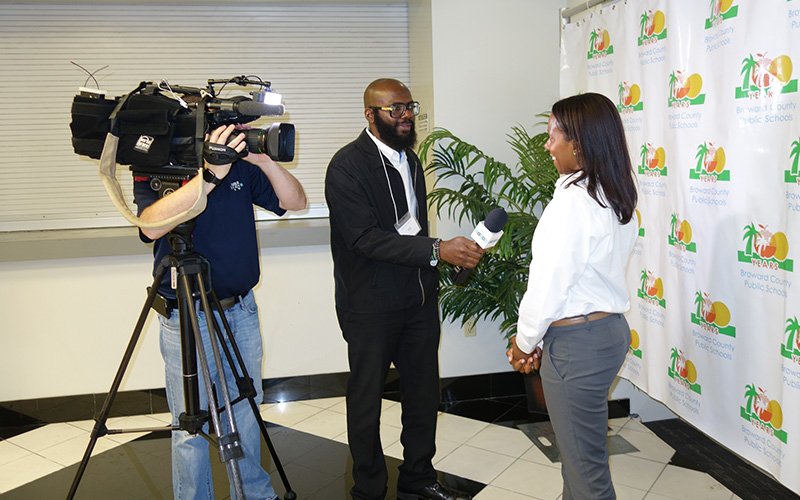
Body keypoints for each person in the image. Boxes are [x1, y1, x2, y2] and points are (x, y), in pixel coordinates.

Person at [325, 78, 482, 500]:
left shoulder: (410, 161)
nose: (406, 115)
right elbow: (365, 239)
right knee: (366, 400)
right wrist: (437, 248)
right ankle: (369, 488)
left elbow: (413, 228)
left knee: (421, 394)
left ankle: (418, 478)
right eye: (395, 108)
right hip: (369, 306)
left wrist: (440, 258)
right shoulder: (346, 165)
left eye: (409, 106)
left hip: (417, 301)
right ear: (370, 114)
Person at [134, 123, 307, 500]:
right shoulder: (164, 157)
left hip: (239, 309)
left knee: (245, 408)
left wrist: (265, 161)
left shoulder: (245, 167)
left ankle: (253, 494)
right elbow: (149, 226)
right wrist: (211, 175)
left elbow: (296, 202)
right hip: (185, 316)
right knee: (189, 423)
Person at [507, 92, 639, 500]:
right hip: (606, 335)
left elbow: (548, 285)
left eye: (553, 137)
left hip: (577, 346)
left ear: (578, 143)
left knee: (586, 473)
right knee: (581, 460)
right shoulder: (615, 193)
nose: (547, 146)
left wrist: (523, 342)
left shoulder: (573, 204)